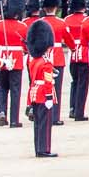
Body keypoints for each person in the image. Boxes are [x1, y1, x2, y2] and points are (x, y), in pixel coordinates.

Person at [24, 17, 59, 156]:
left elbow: (33, 80)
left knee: (38, 124)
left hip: (34, 93)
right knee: (45, 123)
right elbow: (48, 82)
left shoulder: (34, 61)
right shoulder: (46, 62)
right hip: (44, 95)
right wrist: (49, 98)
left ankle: (38, 148)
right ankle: (44, 149)